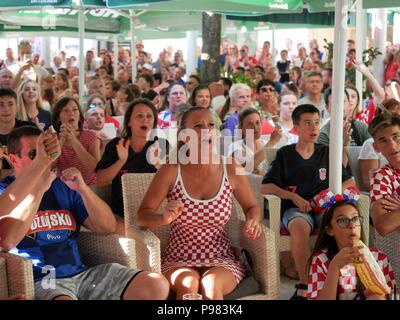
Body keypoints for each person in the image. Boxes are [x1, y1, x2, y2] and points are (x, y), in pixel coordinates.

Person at [0, 126, 170, 300]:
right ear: (14, 159)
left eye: (47, 152)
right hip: (44, 279)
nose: (45, 159)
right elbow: (7, 241)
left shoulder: (62, 186)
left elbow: (107, 226)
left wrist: (83, 190)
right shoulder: (6, 193)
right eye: (34, 154)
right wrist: (38, 190)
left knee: (156, 285)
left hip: (82, 274)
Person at [136, 106, 262, 300]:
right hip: (178, 259)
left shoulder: (230, 167)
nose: (206, 130)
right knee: (189, 285)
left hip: (221, 258)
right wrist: (163, 217)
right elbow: (142, 216)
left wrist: (253, 220)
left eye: (211, 125)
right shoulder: (171, 169)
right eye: (198, 126)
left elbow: (251, 208)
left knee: (210, 287)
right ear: (184, 136)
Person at [261, 104, 354, 299]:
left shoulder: (327, 152)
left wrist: (327, 196)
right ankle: (306, 284)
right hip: (295, 209)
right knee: (299, 227)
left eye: (317, 123)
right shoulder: (285, 154)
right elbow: (266, 187)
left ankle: (347, 281)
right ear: (296, 127)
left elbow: (348, 182)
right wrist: (293, 197)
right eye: (308, 123)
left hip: (324, 208)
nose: (314, 128)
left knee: (345, 223)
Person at [96, 99, 168, 227]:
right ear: (128, 122)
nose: (145, 120)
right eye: (139, 116)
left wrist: (159, 165)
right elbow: (100, 181)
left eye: (149, 116)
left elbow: (174, 182)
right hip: (121, 212)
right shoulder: (116, 145)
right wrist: (120, 161)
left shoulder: (161, 144)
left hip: (153, 212)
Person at [307, 199, 395, 300]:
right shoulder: (320, 260)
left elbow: (393, 294)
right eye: (343, 221)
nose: (352, 225)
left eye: (355, 219)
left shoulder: (379, 258)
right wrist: (334, 266)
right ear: (330, 230)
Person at [52, 96, 101, 185]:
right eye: (65, 110)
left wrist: (73, 140)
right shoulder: (54, 138)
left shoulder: (91, 136)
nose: (71, 113)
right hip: (63, 188)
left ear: (79, 115)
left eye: (75, 110)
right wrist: (61, 143)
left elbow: (96, 167)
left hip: (89, 187)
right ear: (58, 117)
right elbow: (50, 167)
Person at [369, 112, 400, 237]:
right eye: (383, 140)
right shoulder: (381, 177)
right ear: (376, 147)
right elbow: (383, 226)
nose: (392, 145)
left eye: (396, 136)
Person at [0, 88, 33, 178]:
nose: (6, 109)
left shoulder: (29, 129)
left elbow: (39, 164)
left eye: (10, 104)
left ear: (17, 108)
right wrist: (13, 171)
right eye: (1, 105)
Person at [228, 108, 269, 175]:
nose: (255, 127)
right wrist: (272, 142)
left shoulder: (266, 142)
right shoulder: (235, 146)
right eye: (250, 124)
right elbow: (249, 167)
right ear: (241, 127)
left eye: (257, 122)